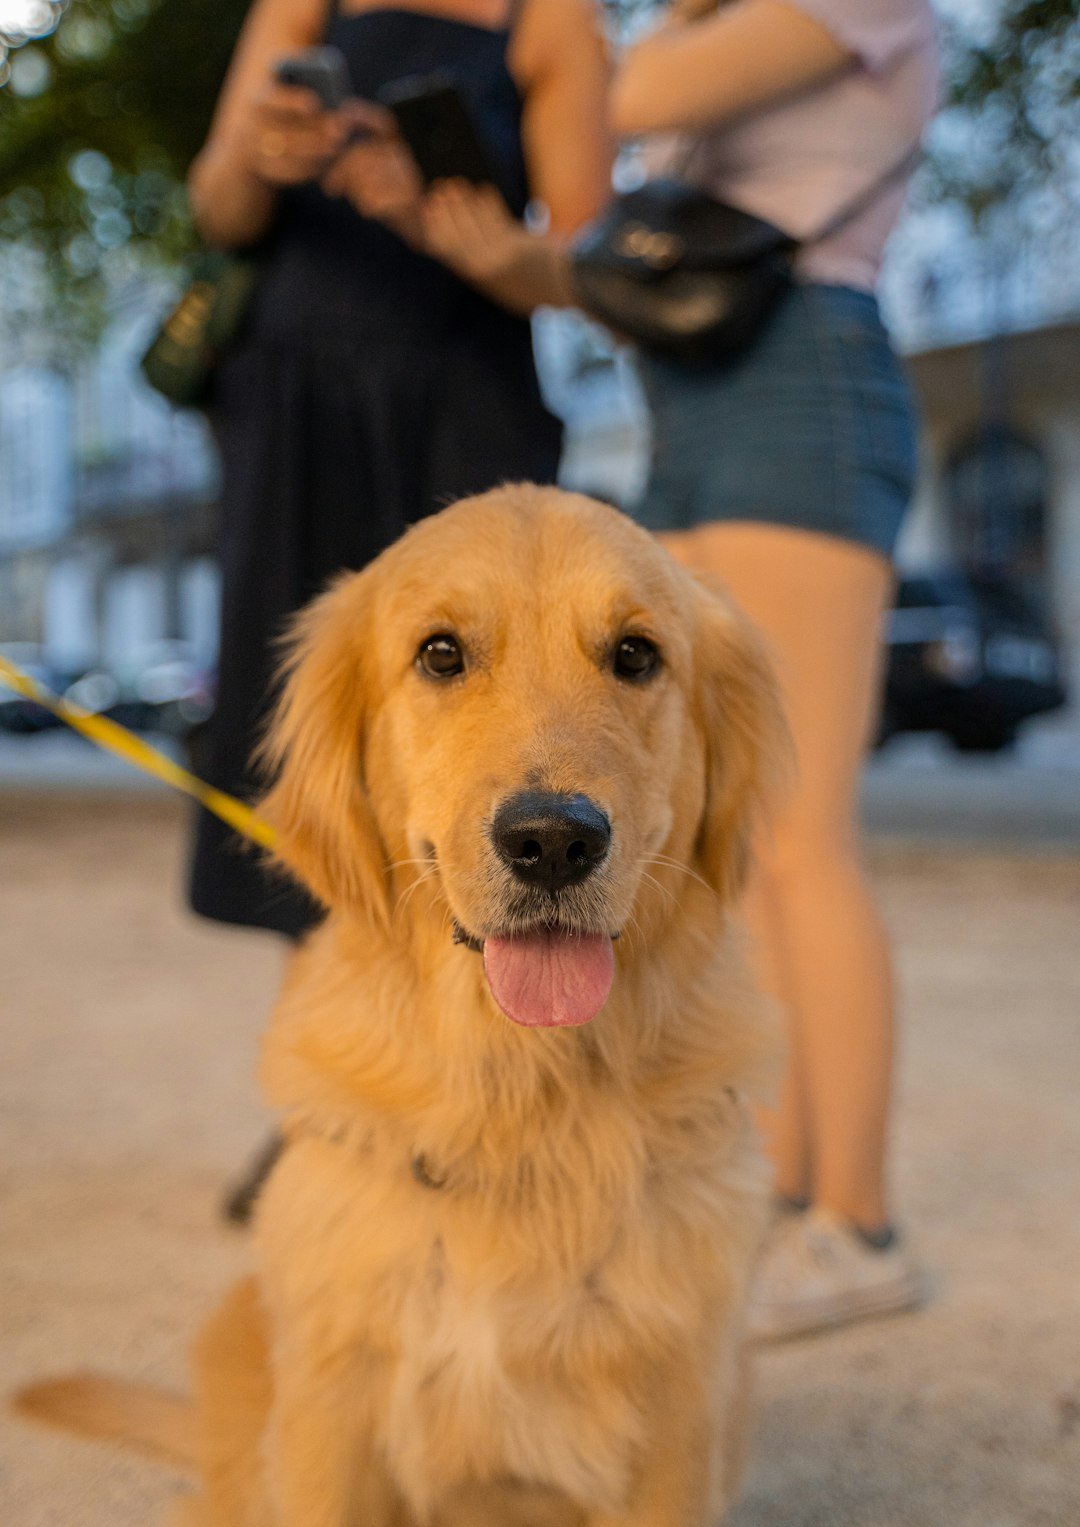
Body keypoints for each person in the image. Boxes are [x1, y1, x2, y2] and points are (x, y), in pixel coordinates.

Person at [185, 0, 611, 1214]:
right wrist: (254, 157)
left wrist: (434, 214)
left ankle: (488, 1100)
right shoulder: (298, 4)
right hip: (293, 408)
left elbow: (582, 264)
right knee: (306, 754)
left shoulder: (553, 23)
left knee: (496, 739)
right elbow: (218, 212)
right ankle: (328, 1090)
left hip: (455, 403)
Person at [608, 0, 940, 1338]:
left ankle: (857, 1225)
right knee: (729, 834)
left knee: (805, 834)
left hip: (802, 378)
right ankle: (777, 1193)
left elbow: (634, 96)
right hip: (695, 394)